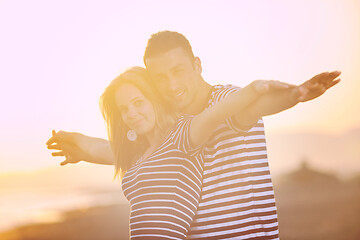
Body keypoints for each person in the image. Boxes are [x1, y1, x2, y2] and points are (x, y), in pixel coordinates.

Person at [47, 31, 340, 239]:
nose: (171, 84)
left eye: (178, 71)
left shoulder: (227, 99)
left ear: (197, 65)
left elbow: (257, 105)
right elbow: (125, 150)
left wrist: (296, 95)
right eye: (160, 78)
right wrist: (80, 148)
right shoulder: (173, 126)